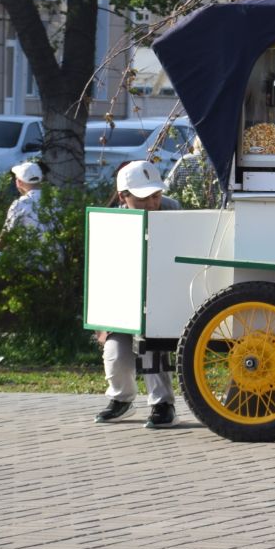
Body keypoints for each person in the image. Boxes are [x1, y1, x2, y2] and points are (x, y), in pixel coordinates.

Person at [95, 160, 182, 427]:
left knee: (152, 349)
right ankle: (121, 399)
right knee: (115, 352)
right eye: (143, 199)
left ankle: (163, 404)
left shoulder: (173, 210)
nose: (152, 204)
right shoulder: (112, 221)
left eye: (156, 196)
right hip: (126, 302)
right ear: (124, 196)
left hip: (162, 297)